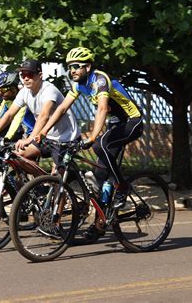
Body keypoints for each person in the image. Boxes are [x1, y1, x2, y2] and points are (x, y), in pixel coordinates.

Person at [38, 47, 143, 241]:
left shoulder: (100, 79)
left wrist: (94, 136)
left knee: (98, 146)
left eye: (76, 66)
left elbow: (102, 108)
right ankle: (100, 224)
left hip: (132, 121)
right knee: (100, 174)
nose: (73, 71)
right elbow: (61, 108)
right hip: (115, 123)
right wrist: (43, 130)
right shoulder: (79, 84)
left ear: (88, 66)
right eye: (70, 67)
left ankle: (122, 186)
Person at [0, 59, 80, 164]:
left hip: (67, 138)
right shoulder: (24, 92)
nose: (26, 78)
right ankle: (41, 181)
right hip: (46, 137)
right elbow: (9, 115)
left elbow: (44, 115)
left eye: (30, 74)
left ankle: (85, 178)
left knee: (60, 174)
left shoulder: (49, 90)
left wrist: (30, 138)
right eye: (23, 75)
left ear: (40, 75)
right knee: (18, 155)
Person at [0, 71, 35, 141]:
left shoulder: (23, 99)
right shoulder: (6, 101)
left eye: (3, 90)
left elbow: (17, 120)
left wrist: (7, 138)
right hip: (24, 134)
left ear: (13, 90)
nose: (0, 94)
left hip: (34, 135)